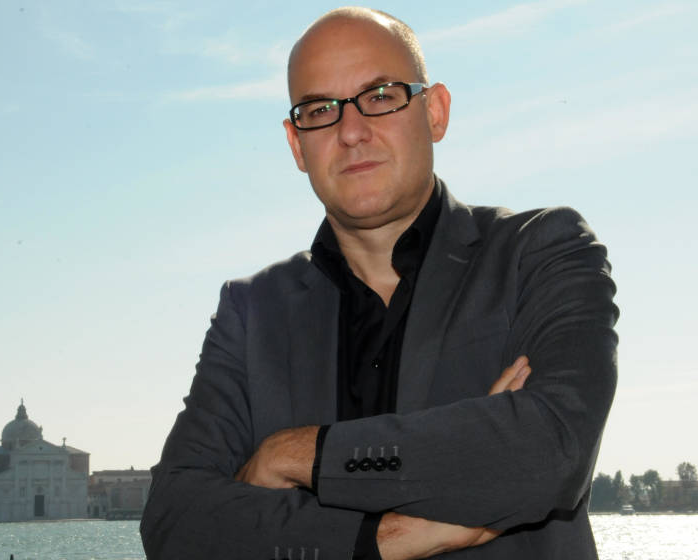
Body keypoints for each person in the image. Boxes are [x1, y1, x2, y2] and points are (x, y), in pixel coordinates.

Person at [141, 7, 617, 559]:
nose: (350, 131)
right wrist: (378, 539)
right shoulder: (251, 312)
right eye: (320, 110)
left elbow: (549, 451)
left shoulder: (539, 253)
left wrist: (295, 455)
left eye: (381, 95)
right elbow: (174, 521)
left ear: (434, 112)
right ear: (296, 145)